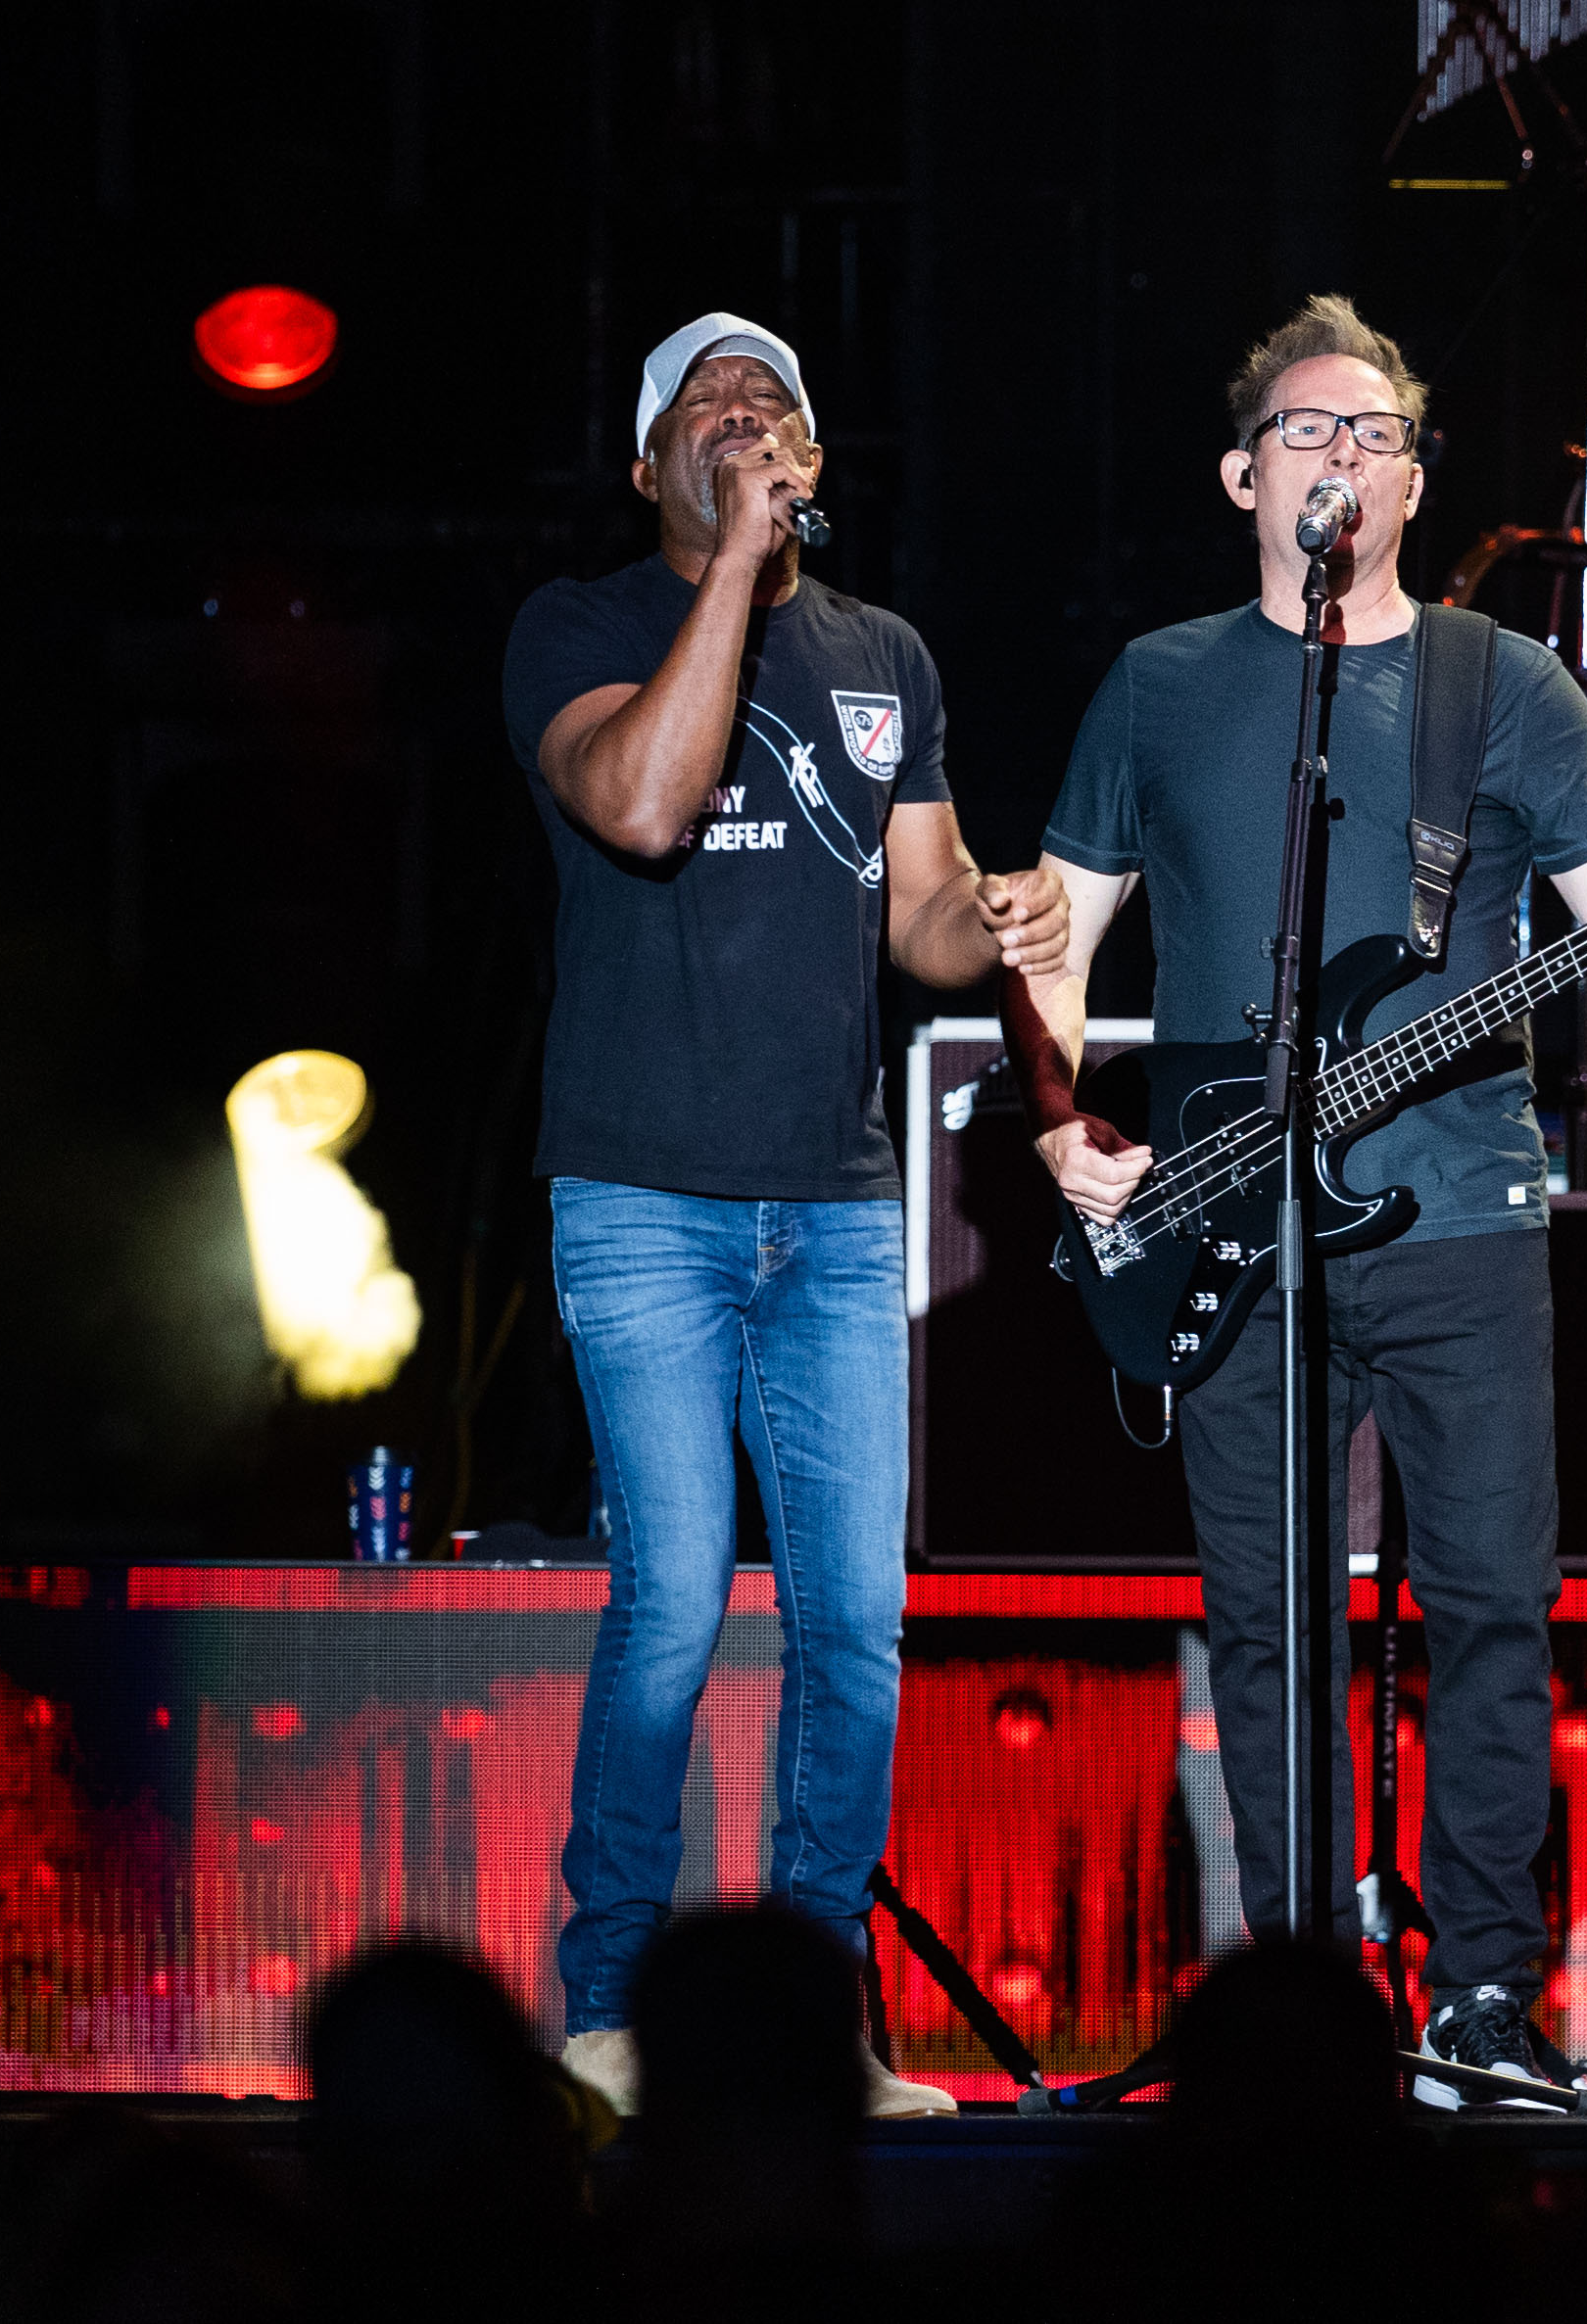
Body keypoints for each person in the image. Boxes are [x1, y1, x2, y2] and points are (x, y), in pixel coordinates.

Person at [1005, 294, 1587, 2093]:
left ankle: (1480, 1990)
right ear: (1242, 475)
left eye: (1375, 434)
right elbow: (1054, 934)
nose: (1342, 457)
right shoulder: (1158, 682)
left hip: (1462, 1209)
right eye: (1307, 431)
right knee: (1268, 1624)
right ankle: (1302, 2003)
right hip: (1238, 1229)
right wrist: (1061, 1120)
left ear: (1408, 480)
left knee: (1487, 1602)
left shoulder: (1500, 676)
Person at [501, 311, 1067, 2120]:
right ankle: (609, 2013)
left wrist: (1008, 920)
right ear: (649, 460)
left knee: (852, 1619)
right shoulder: (579, 626)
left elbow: (917, 919)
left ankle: (817, 2021)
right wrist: (732, 571)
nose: (749, 423)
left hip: (829, 1204)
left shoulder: (881, 652)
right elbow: (647, 808)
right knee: (670, 1600)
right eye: (709, 406)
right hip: (641, 1196)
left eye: (778, 407)